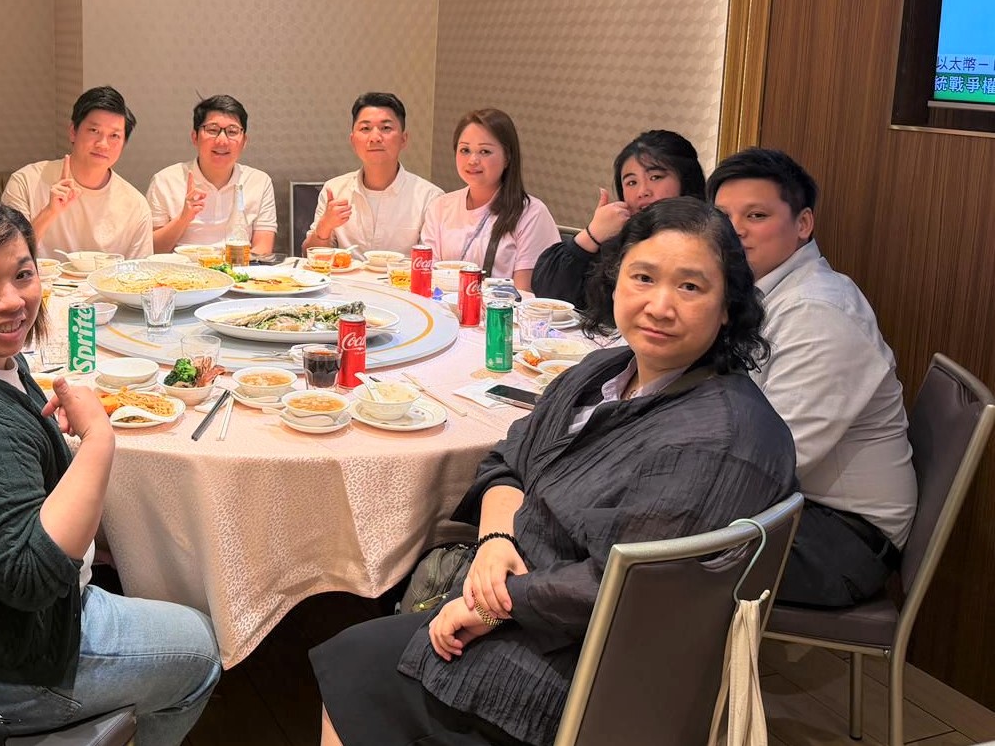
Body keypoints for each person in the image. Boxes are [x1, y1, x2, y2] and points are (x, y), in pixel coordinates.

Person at [311, 197, 797, 746]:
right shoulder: (606, 369)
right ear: (615, 281)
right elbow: (508, 458)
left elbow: (628, 583)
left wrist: (494, 606)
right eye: (643, 277)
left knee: (357, 668)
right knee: (356, 654)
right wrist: (496, 540)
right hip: (529, 603)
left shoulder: (719, 437)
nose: (660, 306)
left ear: (728, 305)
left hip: (588, 668)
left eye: (690, 287)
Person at [0, 196, 221, 744]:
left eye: (23, 274)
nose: (12, 301)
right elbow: (31, 578)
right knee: (201, 647)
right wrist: (99, 439)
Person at [709, 147, 915, 608]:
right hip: (792, 503)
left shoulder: (819, 312)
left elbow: (776, 458)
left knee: (643, 540)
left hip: (838, 537)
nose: (734, 230)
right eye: (722, 217)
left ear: (803, 224)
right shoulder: (756, 294)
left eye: (756, 215)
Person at [531, 129, 705, 308]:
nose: (642, 191)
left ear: (686, 180)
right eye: (631, 182)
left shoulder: (706, 238)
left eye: (655, 177)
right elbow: (550, 296)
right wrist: (593, 234)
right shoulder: (620, 240)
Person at [2, 86, 153, 261]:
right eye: (94, 131)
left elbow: (139, 274)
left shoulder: (136, 206)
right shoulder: (26, 182)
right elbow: (7, 258)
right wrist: (50, 212)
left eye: (114, 136)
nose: (103, 144)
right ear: (73, 131)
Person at [418, 109, 559, 292]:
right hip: (441, 307)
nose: (472, 160)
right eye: (465, 150)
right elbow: (428, 278)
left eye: (484, 151)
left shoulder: (531, 214)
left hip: (501, 310)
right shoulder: (440, 207)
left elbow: (523, 294)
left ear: (507, 157)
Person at [305, 92, 442, 256]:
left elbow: (431, 264)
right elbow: (309, 257)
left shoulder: (430, 198)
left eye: (386, 128)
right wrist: (324, 226)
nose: (375, 137)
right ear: (353, 140)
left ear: (403, 139)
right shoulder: (334, 190)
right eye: (365, 128)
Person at [147, 95, 277, 255]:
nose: (222, 141)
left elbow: (263, 249)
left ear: (244, 141)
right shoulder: (165, 180)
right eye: (212, 130)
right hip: (181, 270)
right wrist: (183, 218)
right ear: (195, 137)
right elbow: (153, 250)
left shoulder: (259, 182)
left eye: (232, 132)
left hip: (238, 268)